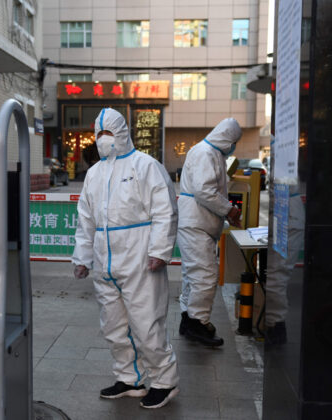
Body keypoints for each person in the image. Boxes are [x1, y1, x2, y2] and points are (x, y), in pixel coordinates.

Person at [72, 108, 180, 409]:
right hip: (105, 260)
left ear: (121, 133)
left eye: (109, 134)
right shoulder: (94, 174)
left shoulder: (146, 166)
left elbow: (165, 211)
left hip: (139, 257)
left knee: (146, 323)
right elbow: (86, 220)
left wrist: (159, 251)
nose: (104, 140)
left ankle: (164, 380)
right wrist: (82, 257)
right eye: (100, 135)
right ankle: (129, 378)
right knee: (114, 326)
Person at [177, 118, 243, 347]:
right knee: (205, 275)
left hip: (198, 223)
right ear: (228, 138)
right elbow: (204, 191)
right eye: (235, 142)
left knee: (193, 275)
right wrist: (230, 211)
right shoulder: (205, 153)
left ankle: (188, 318)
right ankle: (198, 322)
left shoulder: (212, 153)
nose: (235, 147)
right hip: (196, 222)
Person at [265, 182, 305, 345]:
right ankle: (274, 323)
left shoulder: (284, 162)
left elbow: (279, 191)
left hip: (285, 217)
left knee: (276, 275)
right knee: (276, 274)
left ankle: (275, 326)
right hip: (284, 216)